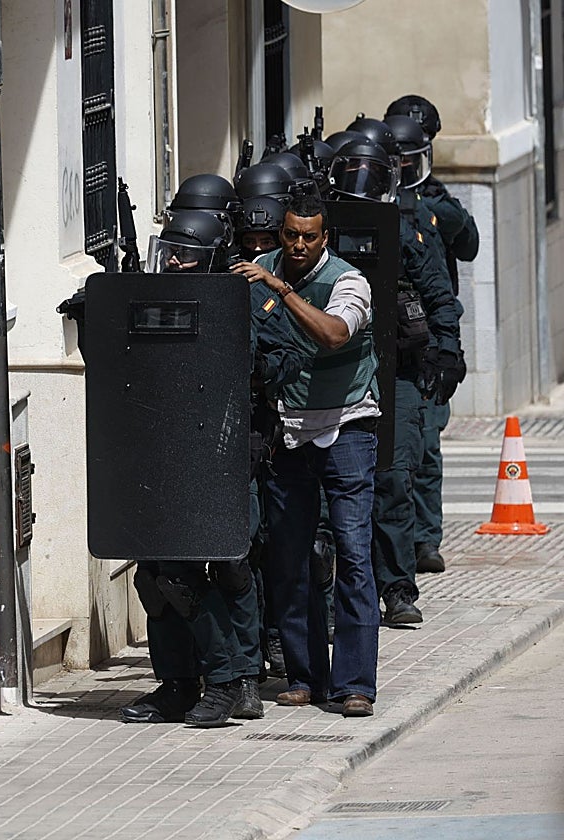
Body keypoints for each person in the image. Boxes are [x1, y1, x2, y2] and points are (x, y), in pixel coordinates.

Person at [122, 203, 310, 727]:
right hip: (165, 452)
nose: (175, 263)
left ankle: (238, 677)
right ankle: (178, 682)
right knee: (157, 576)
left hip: (227, 451)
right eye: (170, 253)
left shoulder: (246, 299)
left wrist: (247, 367)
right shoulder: (153, 296)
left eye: (186, 254)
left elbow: (288, 356)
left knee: (227, 566)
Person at [230, 192, 381, 718]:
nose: (296, 244)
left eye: (308, 236)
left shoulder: (348, 281)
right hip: (286, 432)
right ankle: (304, 676)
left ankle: (355, 684)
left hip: (347, 426)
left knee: (353, 555)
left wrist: (281, 290)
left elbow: (334, 334)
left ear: (325, 237)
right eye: (290, 233)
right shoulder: (256, 268)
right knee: (290, 558)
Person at [332, 134, 461, 627]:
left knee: (393, 480)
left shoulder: (404, 231)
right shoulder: (317, 230)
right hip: (337, 373)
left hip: (397, 371)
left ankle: (398, 589)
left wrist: (446, 352)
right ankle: (329, 598)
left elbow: (438, 294)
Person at [386, 95, 481, 574]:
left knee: (426, 444)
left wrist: (439, 212)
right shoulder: (379, 200)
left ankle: (426, 539)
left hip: (428, 338)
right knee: (402, 451)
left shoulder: (436, 200)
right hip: (392, 336)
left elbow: (469, 246)